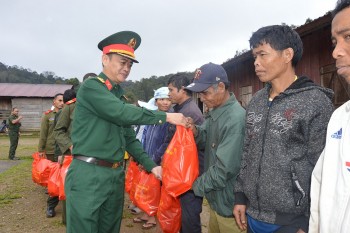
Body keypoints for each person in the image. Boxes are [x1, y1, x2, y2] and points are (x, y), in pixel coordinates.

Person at [65, 30, 187, 233]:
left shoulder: (117, 96)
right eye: (122, 62)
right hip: (88, 174)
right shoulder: (92, 87)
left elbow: (129, 138)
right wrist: (165, 116)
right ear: (105, 59)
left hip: (114, 175)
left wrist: (152, 166)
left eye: (129, 64)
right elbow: (121, 113)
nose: (127, 68)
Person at [233, 25, 334, 233]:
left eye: (262, 54)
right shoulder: (256, 102)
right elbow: (247, 152)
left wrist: (308, 221)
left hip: (291, 222)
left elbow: (324, 169)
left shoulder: (315, 102)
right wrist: (240, 196)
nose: (256, 63)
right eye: (254, 56)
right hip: (253, 215)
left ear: (287, 54)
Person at [185, 62, 246, 233]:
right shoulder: (215, 112)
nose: (202, 98)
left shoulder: (234, 118)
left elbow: (223, 170)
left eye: (205, 93)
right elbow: (204, 138)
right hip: (217, 202)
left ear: (220, 87)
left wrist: (191, 186)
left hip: (229, 208)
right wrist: (195, 131)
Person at [309, 1, 350, 232]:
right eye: (335, 42)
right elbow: (320, 186)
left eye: (349, 37)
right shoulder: (339, 118)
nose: (335, 52)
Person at [166, 74, 205, 233]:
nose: (168, 94)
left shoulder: (190, 112)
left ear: (183, 90)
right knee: (183, 217)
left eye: (171, 90)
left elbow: (191, 148)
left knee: (190, 219)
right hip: (182, 173)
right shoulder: (179, 109)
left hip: (190, 176)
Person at [133, 87, 172, 229]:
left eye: (168, 99)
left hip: (160, 161)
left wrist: (153, 160)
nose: (166, 102)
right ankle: (147, 213)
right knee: (148, 188)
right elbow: (144, 136)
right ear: (156, 101)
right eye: (162, 99)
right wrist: (143, 158)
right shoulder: (153, 117)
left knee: (157, 190)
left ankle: (154, 217)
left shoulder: (170, 119)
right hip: (149, 157)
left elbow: (165, 144)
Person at [38, 93, 64, 217]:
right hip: (51, 150)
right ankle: (51, 205)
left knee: (61, 177)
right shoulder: (48, 115)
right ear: (54, 102)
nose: (61, 102)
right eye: (59, 100)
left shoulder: (67, 113)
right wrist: (41, 150)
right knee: (54, 178)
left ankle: (59, 196)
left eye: (63, 100)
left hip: (64, 150)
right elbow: (43, 133)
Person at [53, 88, 76, 225]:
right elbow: (58, 134)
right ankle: (67, 220)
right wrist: (60, 153)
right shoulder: (66, 110)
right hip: (68, 156)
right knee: (66, 189)